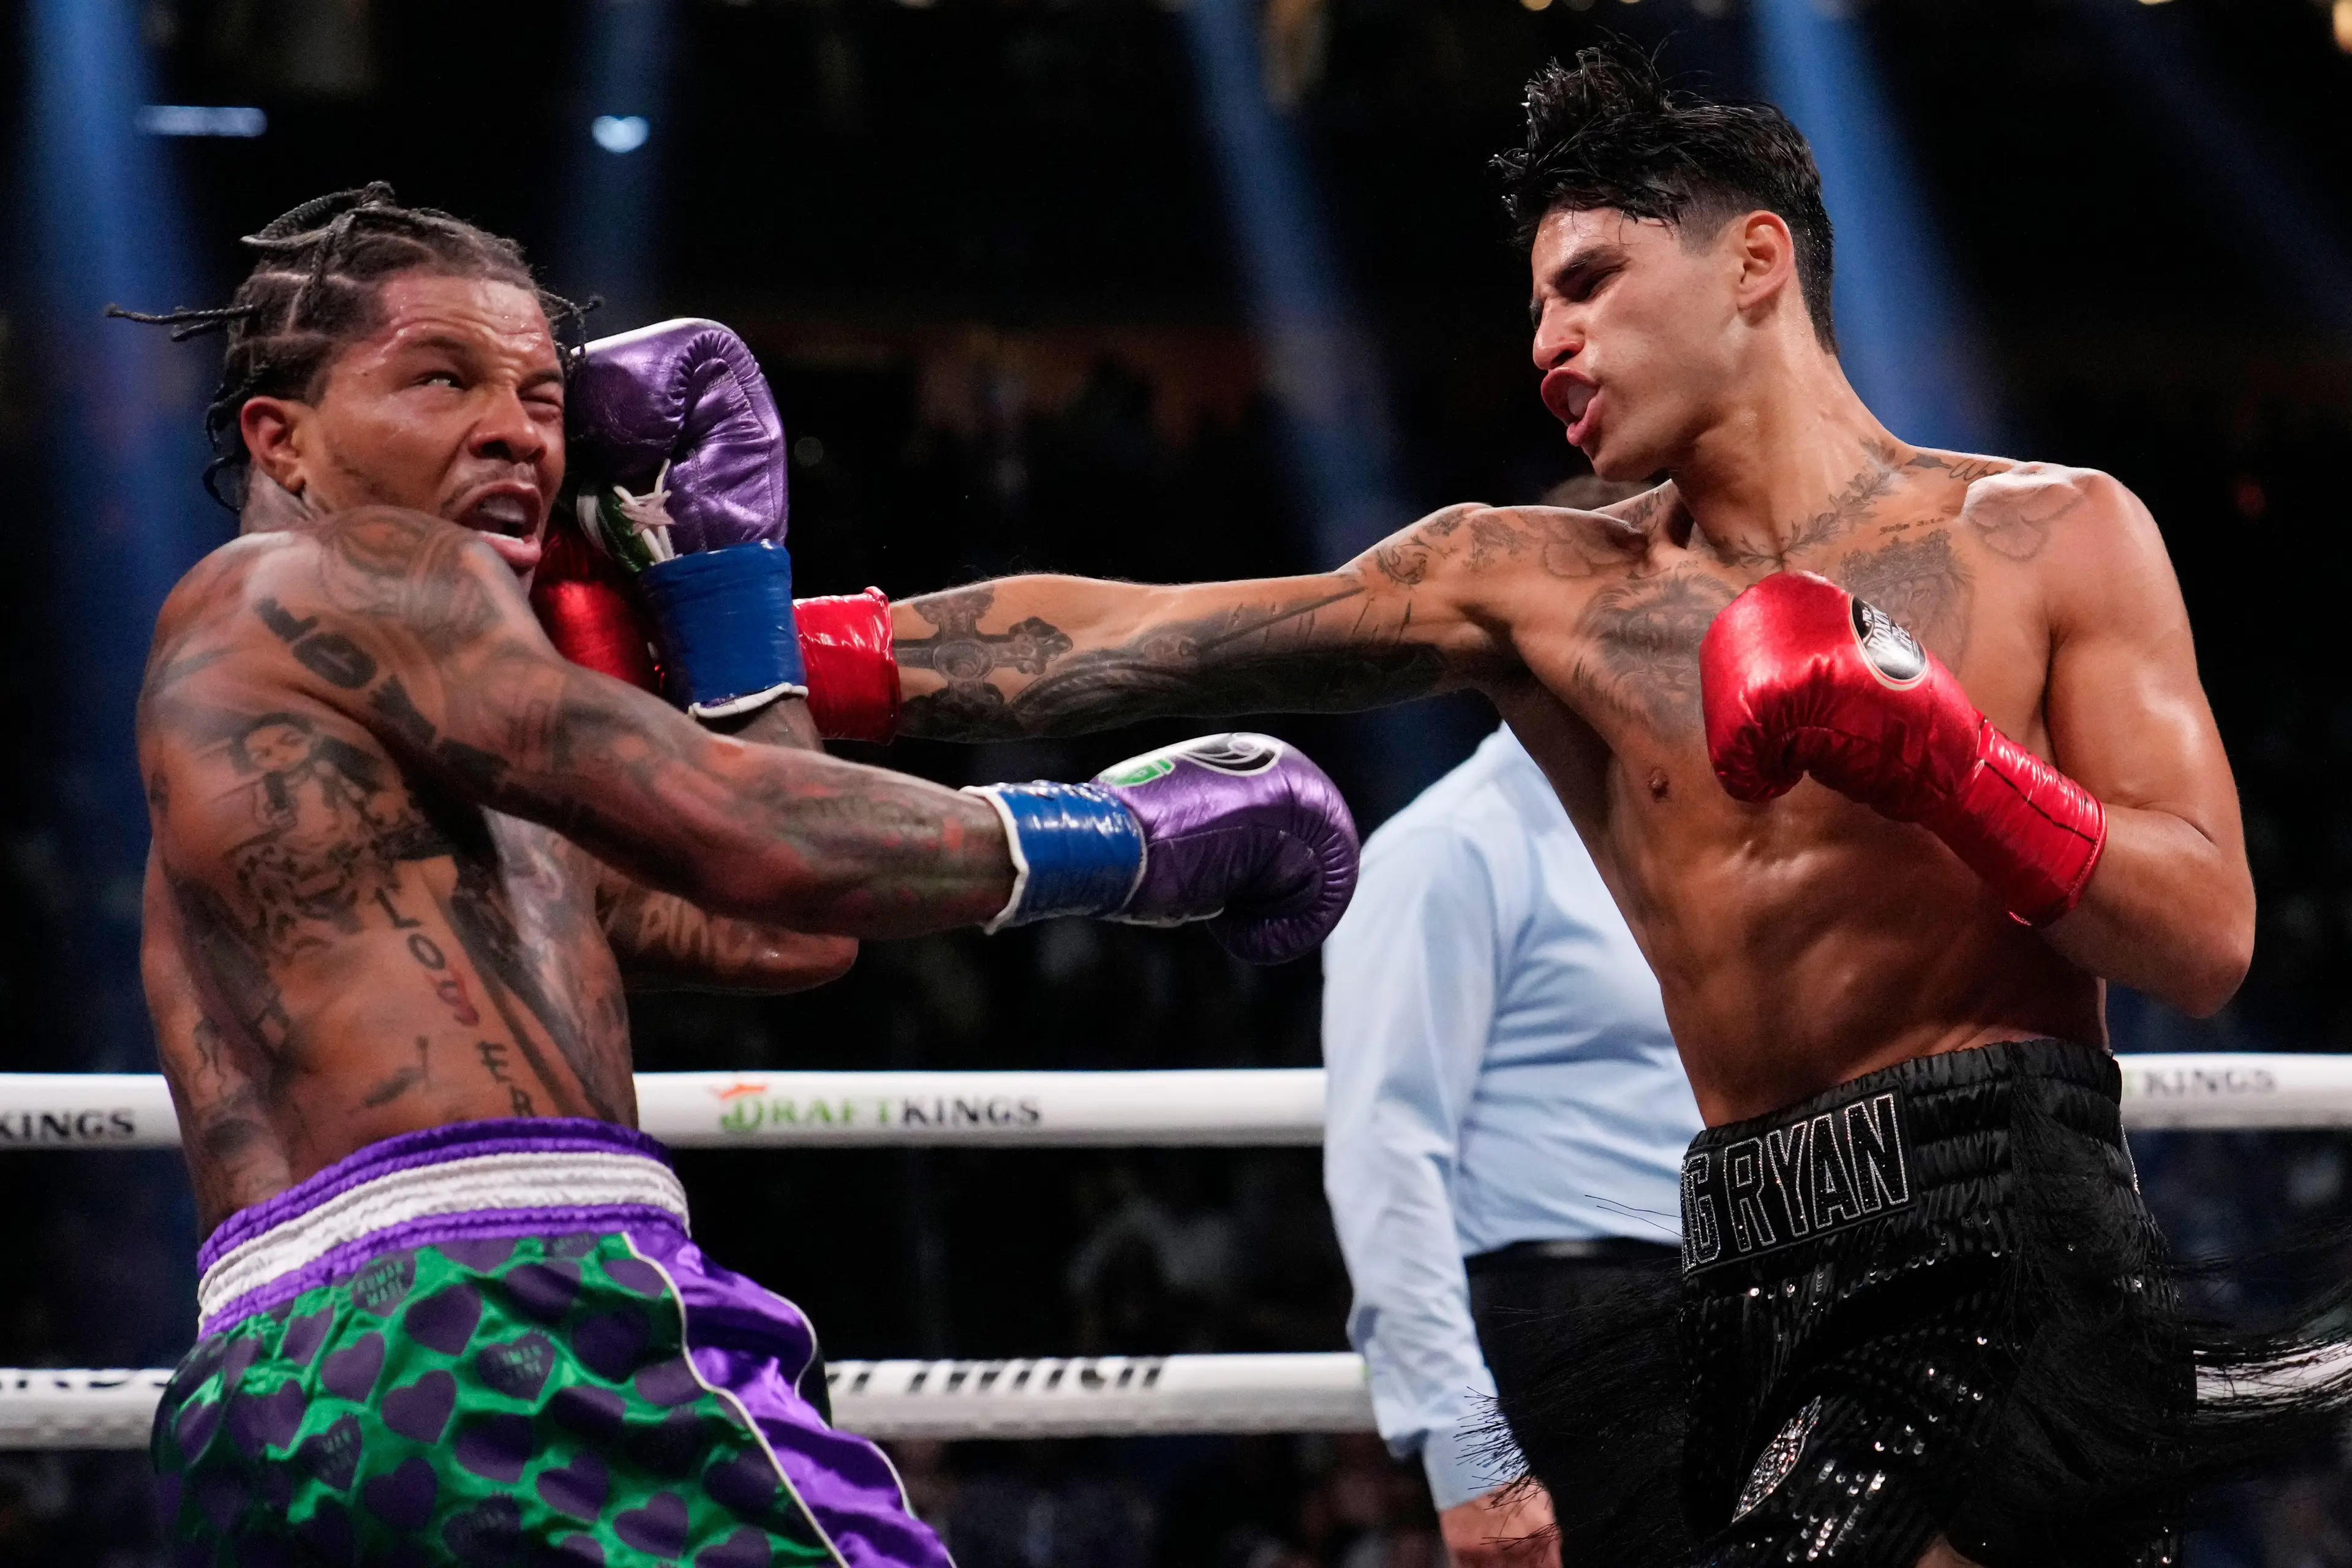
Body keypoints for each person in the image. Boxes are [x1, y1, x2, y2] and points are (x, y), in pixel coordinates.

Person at [757, 47, 2352, 1568]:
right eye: (1535, 308)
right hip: (1728, 1270)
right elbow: (1122, 644)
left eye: (1588, 282)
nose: (1546, 345)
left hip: (2004, 1248)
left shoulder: (2050, 536)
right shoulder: (1537, 590)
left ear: (1754, 262)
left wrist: (1950, 762)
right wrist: (752, 653)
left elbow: (2203, 935)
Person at [123, 185, 1360, 1567]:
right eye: (440, 376)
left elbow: (779, 928)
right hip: (505, 1313)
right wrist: (1131, 837)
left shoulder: (361, 751)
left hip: (260, 1395)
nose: (513, 430)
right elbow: (748, 824)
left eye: (545, 395)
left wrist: (725, 576)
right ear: (280, 437)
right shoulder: (350, 570)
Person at [1321, 721, 1700, 1567]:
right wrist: (1469, 1459)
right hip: (1566, 1327)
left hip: (1741, 1321)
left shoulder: (1707, 844)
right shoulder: (1447, 847)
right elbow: (1384, 1158)